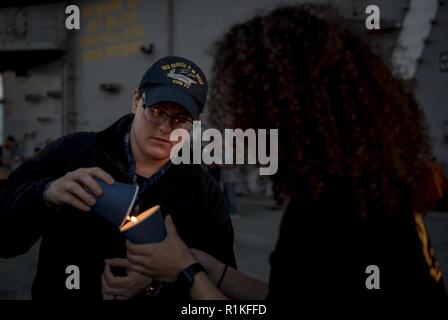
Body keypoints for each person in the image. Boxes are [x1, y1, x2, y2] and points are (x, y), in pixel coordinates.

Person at [123, 5, 448, 311]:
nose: (237, 118)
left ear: (281, 109)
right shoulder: (368, 189)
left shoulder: (325, 214)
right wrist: (212, 269)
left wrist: (187, 271)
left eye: (245, 102)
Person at [0, 56, 236, 300]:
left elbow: (218, 284)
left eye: (180, 119)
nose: (166, 127)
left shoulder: (205, 192)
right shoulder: (72, 153)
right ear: (136, 101)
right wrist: (45, 194)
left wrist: (159, 280)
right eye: (156, 111)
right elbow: (7, 241)